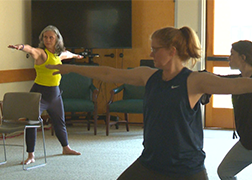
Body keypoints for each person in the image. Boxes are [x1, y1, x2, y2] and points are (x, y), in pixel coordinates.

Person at [46, 26, 252, 180]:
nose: (151, 54)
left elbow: (238, 86)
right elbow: (108, 73)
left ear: (172, 51)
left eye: (155, 49)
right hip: (151, 163)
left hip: (187, 169)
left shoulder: (194, 81)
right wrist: (71, 68)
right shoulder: (148, 76)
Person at [8, 25, 82, 165]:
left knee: (60, 122)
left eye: (51, 37)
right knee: (31, 124)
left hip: (55, 95)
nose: (48, 40)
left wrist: (76, 56)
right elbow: (31, 49)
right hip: (38, 95)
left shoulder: (58, 54)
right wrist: (22, 47)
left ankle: (66, 148)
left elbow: (67, 54)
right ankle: (31, 155)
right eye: (45, 37)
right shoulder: (41, 53)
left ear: (56, 39)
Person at [217, 40, 252, 180]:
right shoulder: (237, 81)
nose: (229, 58)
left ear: (243, 57)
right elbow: (218, 81)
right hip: (246, 142)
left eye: (232, 54)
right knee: (224, 171)